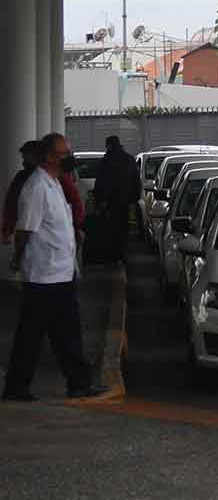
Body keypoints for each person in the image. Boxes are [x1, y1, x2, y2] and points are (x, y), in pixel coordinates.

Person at [3, 133, 107, 401]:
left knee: (65, 333)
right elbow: (25, 230)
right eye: (65, 152)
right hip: (43, 275)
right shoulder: (36, 187)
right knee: (34, 335)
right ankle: (19, 387)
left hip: (59, 272)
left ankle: (77, 383)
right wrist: (17, 258)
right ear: (50, 157)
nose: (70, 157)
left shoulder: (55, 182)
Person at [4, 142, 84, 245]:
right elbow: (11, 203)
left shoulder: (57, 177)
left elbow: (75, 202)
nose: (24, 162)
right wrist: (8, 229)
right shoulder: (23, 177)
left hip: (54, 238)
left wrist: (77, 227)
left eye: (27, 157)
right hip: (36, 235)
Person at [92, 136, 139, 264]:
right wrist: (134, 199)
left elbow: (100, 183)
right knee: (124, 229)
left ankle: (112, 256)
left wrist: (99, 201)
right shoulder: (129, 160)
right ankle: (122, 254)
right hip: (125, 202)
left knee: (110, 230)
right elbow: (136, 181)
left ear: (108, 146)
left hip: (109, 203)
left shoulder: (105, 161)